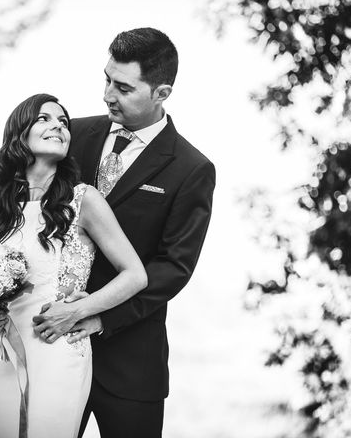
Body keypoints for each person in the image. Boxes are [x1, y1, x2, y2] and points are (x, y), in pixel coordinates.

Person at [30, 28, 216, 438]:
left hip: (132, 364)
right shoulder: (72, 136)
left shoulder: (191, 169)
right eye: (107, 80)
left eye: (124, 87)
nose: (108, 95)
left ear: (161, 92)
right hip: (51, 348)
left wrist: (98, 315)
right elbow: (24, 216)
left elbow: (173, 267)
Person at [0, 93, 147, 438]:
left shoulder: (84, 199)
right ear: (19, 133)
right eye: (44, 118)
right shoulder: (2, 202)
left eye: (63, 122)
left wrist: (79, 310)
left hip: (58, 349)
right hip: (6, 353)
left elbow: (135, 275)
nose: (57, 125)